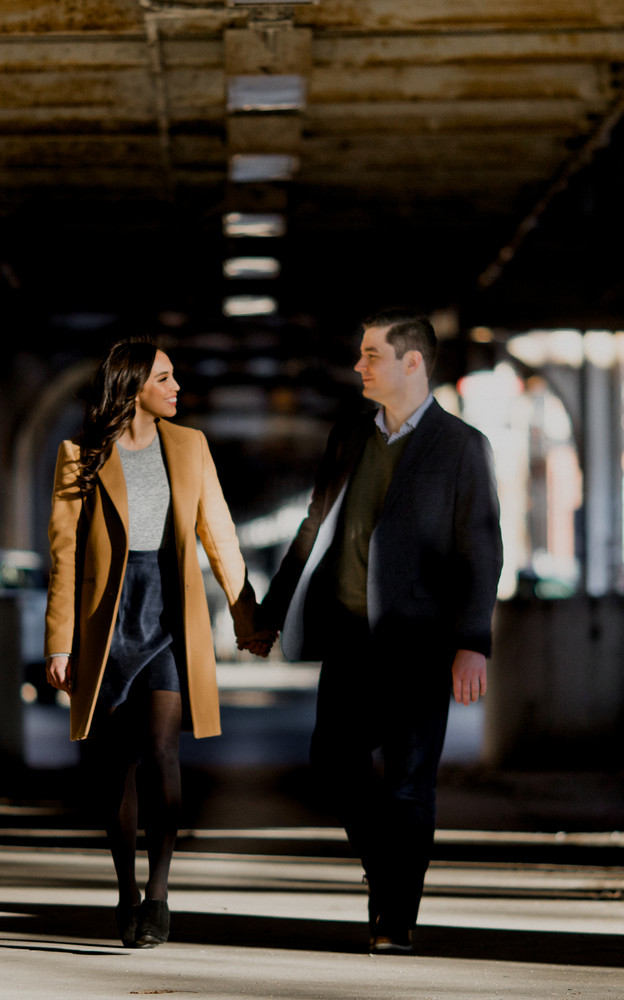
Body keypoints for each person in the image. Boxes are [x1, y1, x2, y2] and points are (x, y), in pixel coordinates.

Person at [244, 308, 501, 955]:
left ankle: (395, 918)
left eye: (371, 355)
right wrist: (267, 614)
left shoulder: (463, 446)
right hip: (351, 638)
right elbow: (312, 527)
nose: (359, 366)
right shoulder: (350, 434)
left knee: (412, 780)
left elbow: (481, 548)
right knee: (332, 760)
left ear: (412, 362)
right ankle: (389, 866)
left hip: (420, 640)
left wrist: (474, 641)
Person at [43, 338, 260, 949]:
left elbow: (219, 534)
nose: (176, 388)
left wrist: (247, 617)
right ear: (135, 384)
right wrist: (60, 644)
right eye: (165, 378)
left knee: (164, 749)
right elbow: (64, 556)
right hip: (107, 621)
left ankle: (160, 893)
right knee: (117, 765)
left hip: (170, 613)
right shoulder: (79, 455)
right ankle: (126, 890)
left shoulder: (190, 446)